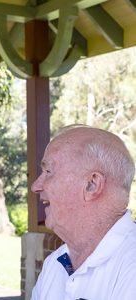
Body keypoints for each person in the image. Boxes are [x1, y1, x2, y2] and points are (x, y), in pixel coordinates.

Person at [31, 125, 136, 299]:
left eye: (48, 171)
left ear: (92, 184)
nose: (36, 186)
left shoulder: (131, 265)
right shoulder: (55, 264)